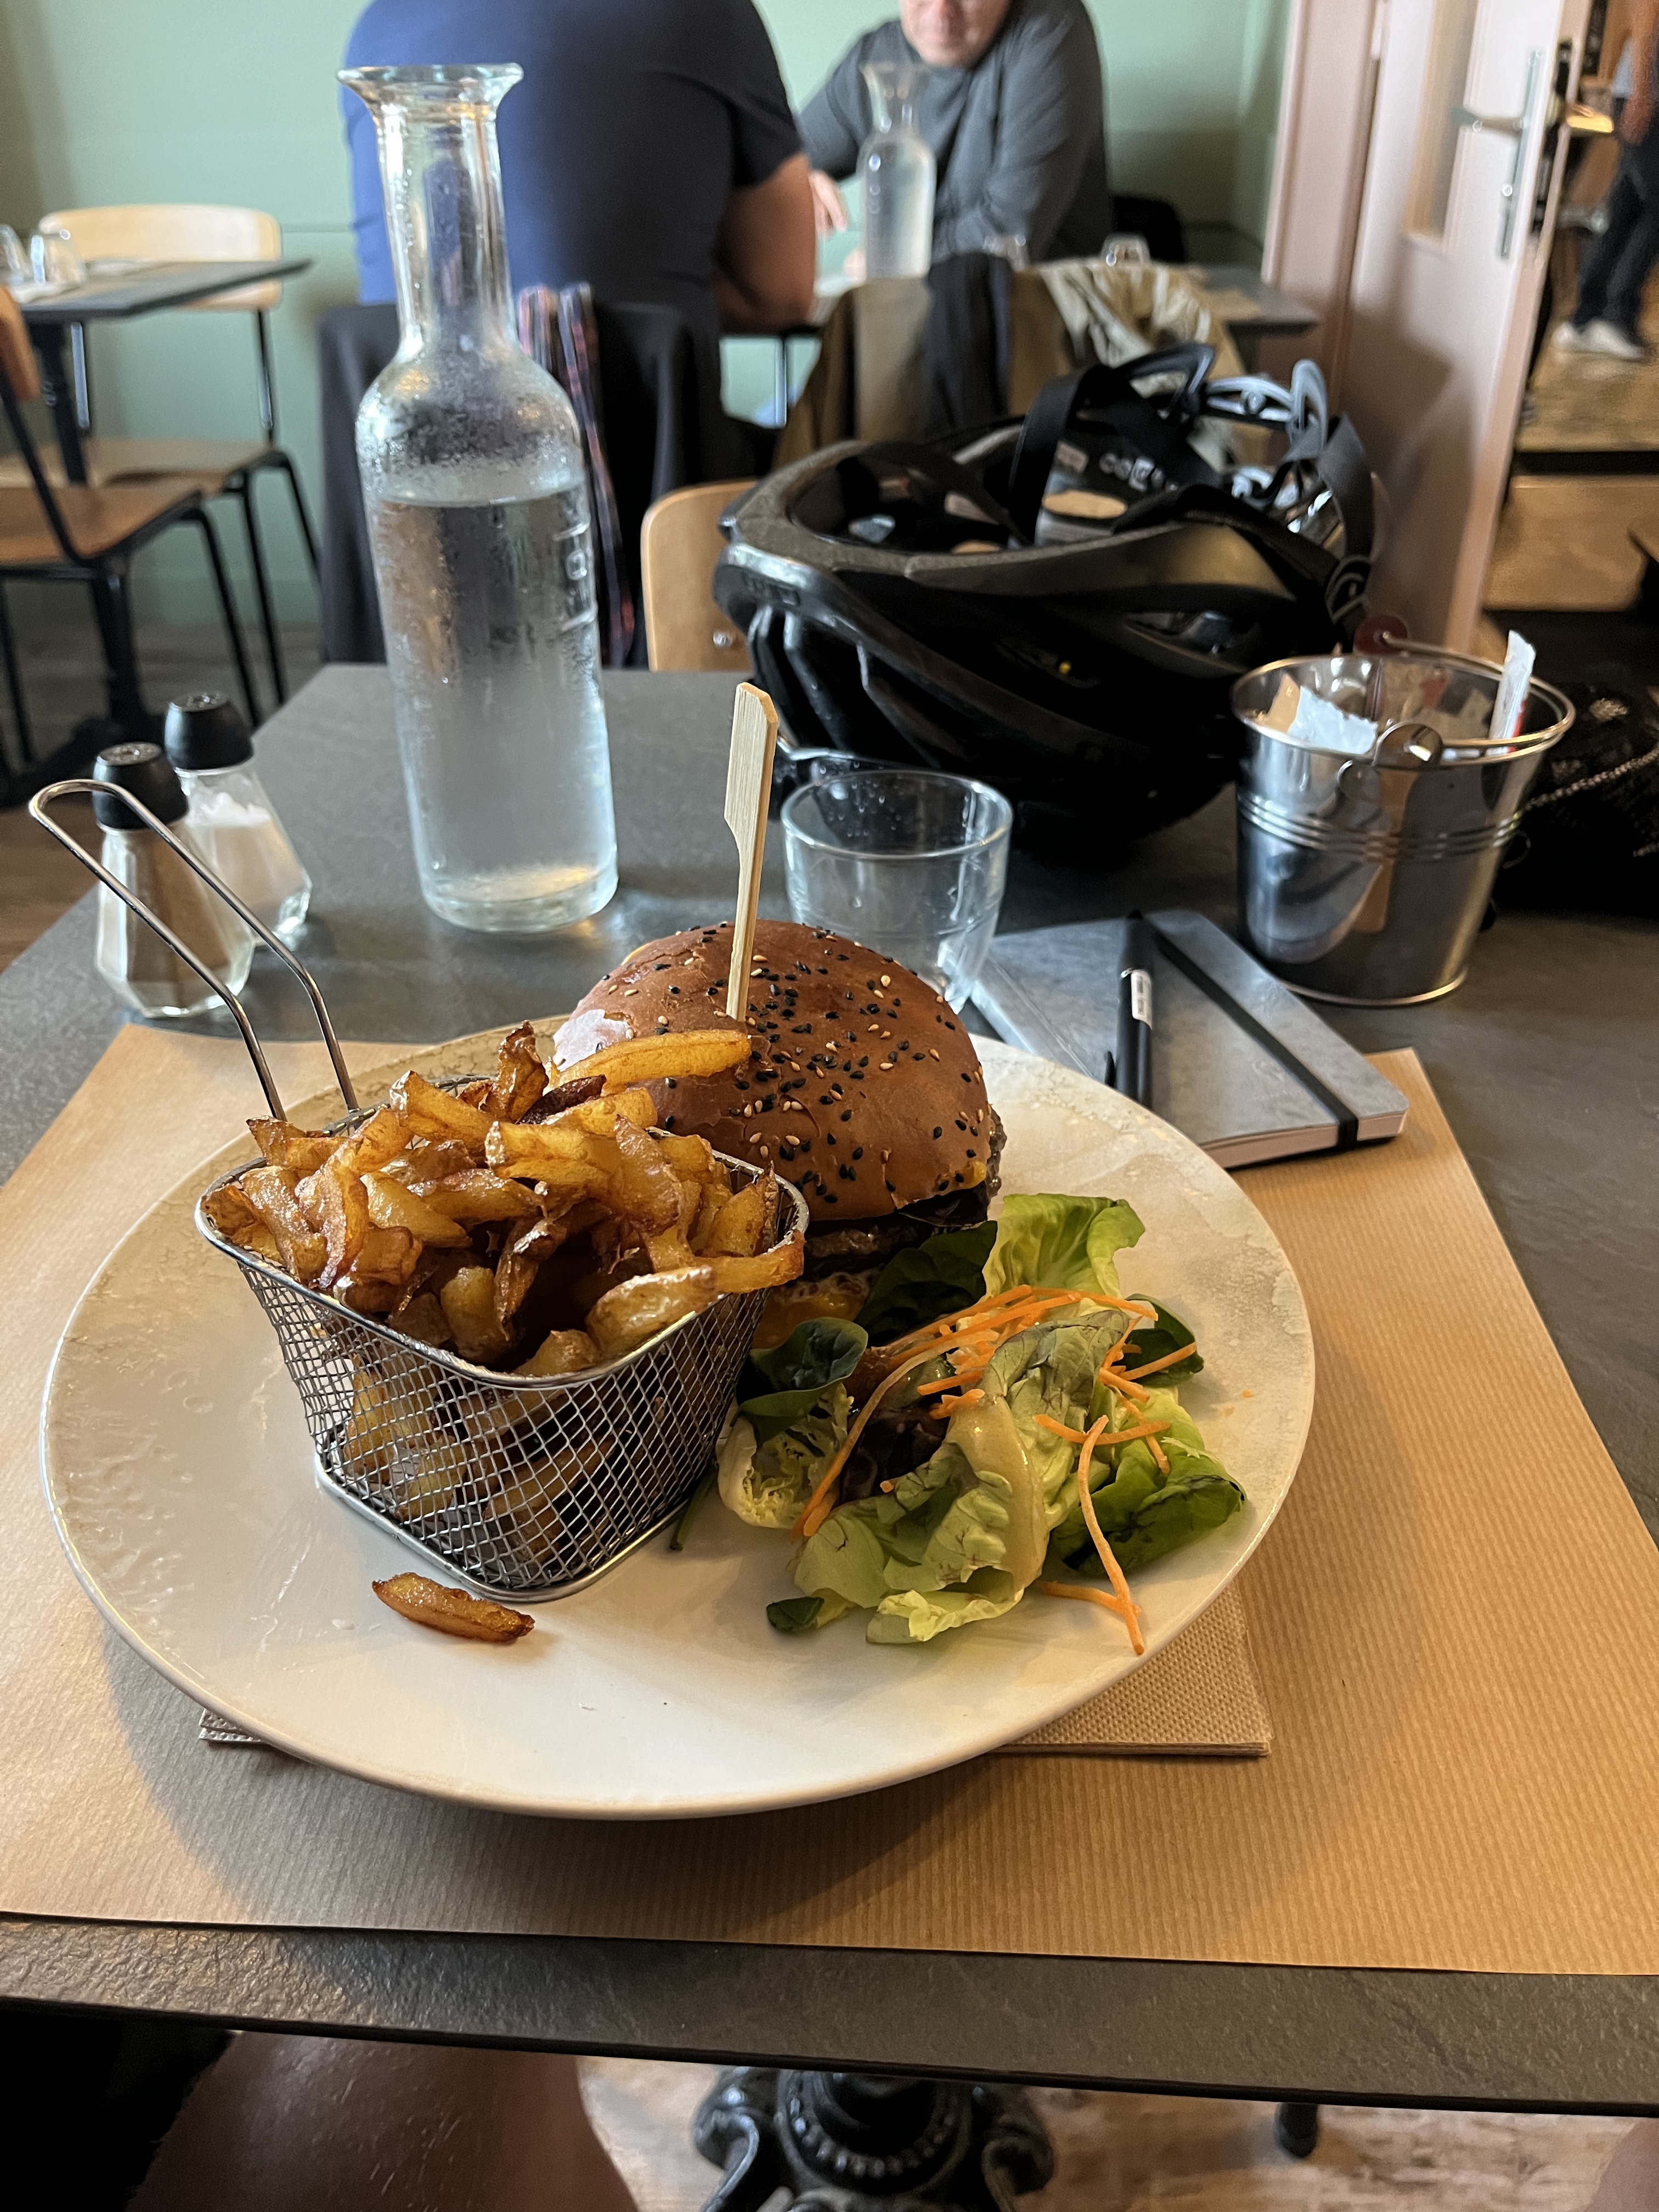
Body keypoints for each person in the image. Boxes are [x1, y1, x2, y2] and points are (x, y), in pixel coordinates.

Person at [341, 0, 816, 342]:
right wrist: (648, 293)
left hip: (407, 446)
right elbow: (782, 296)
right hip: (643, 445)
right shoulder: (712, 14)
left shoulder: (374, 31)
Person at [799, 0, 1111, 268]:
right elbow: (780, 162)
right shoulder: (878, 55)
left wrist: (891, 261)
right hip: (910, 306)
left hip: (1033, 309)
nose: (941, 11)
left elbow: (1009, 238)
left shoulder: (1049, 30)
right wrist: (796, 186)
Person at [1556, 0, 1659, 359]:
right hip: (1645, 96)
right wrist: (1642, 94)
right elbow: (1644, 11)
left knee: (1628, 207)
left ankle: (1585, 319)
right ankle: (1615, 316)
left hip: (1643, 94)